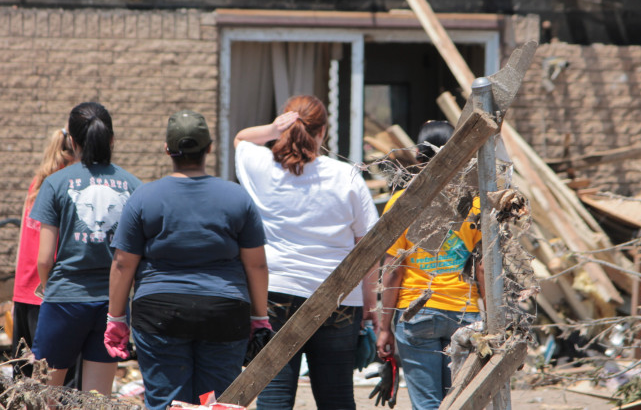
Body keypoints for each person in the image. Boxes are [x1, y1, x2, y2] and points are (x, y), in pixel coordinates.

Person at [105, 110, 269, 410]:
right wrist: (259, 318)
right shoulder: (237, 198)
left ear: (168, 150)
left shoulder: (143, 198)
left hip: (159, 313)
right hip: (224, 312)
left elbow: (122, 264)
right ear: (209, 148)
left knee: (170, 404)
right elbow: (256, 264)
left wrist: (116, 319)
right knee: (217, 403)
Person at [234, 95, 380, 410]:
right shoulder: (348, 176)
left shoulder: (261, 167)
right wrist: (370, 304)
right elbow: (368, 248)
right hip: (339, 299)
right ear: (323, 133)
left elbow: (241, 138)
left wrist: (273, 128)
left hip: (275, 294)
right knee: (337, 398)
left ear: (283, 127)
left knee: (274, 396)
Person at [30, 102, 141, 395]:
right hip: (113, 306)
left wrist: (47, 287)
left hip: (64, 299)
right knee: (97, 398)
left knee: (46, 396)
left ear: (72, 141)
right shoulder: (133, 186)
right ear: (112, 139)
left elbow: (44, 258)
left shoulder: (55, 183)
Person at [376, 120, 485, 410]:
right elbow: (484, 266)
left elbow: (393, 270)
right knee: (458, 401)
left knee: (427, 405)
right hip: (464, 312)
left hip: (417, 311)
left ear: (419, 156)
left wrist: (384, 327)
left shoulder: (403, 202)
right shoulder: (473, 203)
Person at [11, 127, 74, 379]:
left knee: (24, 374)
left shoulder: (36, 184)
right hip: (46, 289)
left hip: (24, 289)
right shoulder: (65, 186)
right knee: (53, 377)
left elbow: (21, 243)